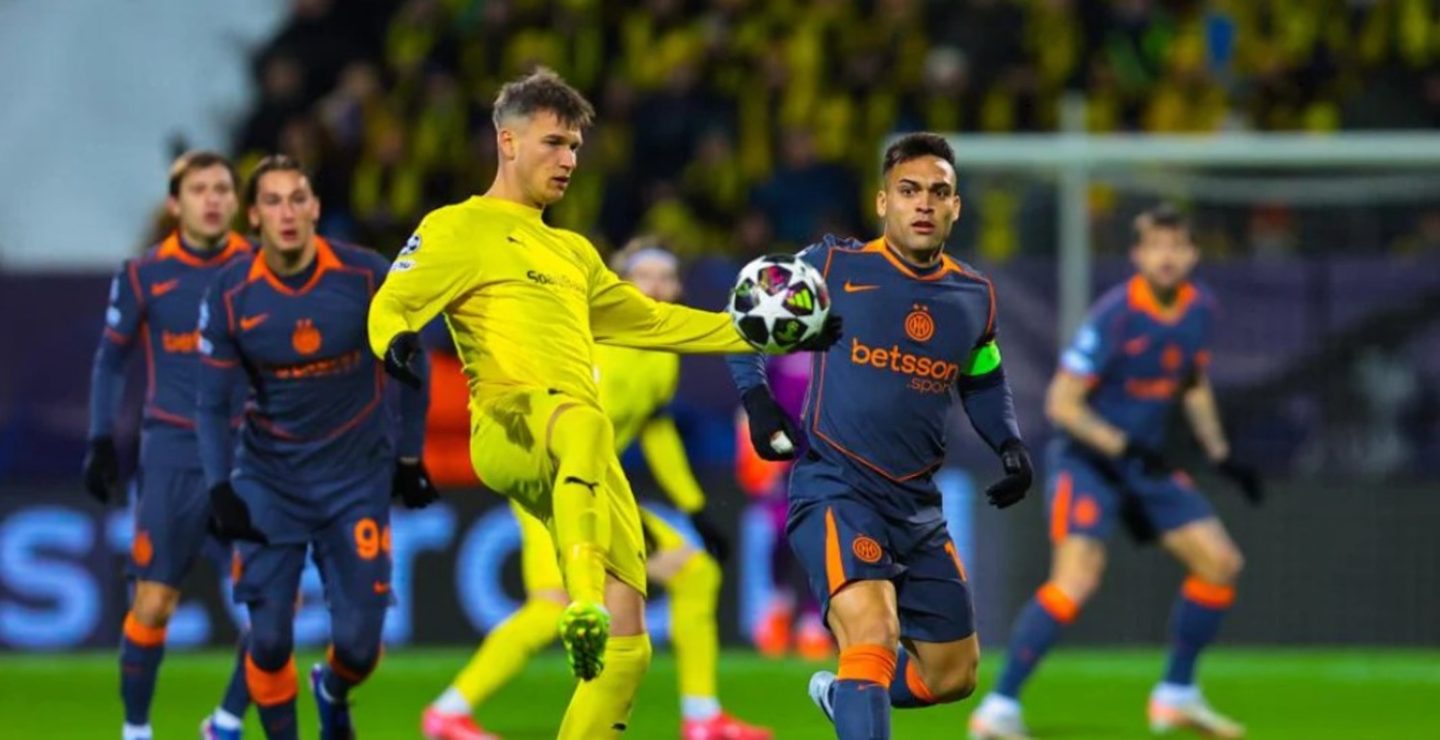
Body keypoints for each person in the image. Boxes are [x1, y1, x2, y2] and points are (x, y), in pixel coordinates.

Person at [368, 68, 835, 739]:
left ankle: (608, 644)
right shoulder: (457, 227)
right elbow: (392, 302)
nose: (569, 160)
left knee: (628, 651)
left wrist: (762, 331)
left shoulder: (574, 252)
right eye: (554, 143)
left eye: (576, 147)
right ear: (507, 141)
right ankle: (577, 604)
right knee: (585, 426)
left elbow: (655, 322)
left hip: (585, 461)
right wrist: (394, 343)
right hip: (511, 425)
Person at [728, 132, 1033, 740]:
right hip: (836, 488)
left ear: (955, 207)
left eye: (938, 193)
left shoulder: (975, 296)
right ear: (882, 201)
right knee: (873, 632)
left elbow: (983, 377)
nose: (924, 204)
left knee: (952, 675)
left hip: (917, 505)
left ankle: (845, 696)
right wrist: (758, 401)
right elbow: (745, 312)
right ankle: (858, 693)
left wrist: (1008, 442)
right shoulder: (833, 266)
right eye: (909, 190)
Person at [422, 240, 771, 740]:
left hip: (600, 493)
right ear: (618, 283)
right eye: (644, 274)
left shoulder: (660, 355)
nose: (655, 285)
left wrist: (694, 507)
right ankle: (448, 711)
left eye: (666, 276)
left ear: (678, 288)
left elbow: (654, 428)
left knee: (694, 574)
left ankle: (702, 716)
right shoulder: (591, 339)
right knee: (553, 604)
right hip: (549, 487)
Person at [968, 204, 1263, 740]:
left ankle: (1176, 695)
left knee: (1220, 562)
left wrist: (1221, 453)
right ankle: (998, 707)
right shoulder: (1116, 315)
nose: (1167, 257)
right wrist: (1123, 444)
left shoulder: (1200, 309)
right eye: (1156, 246)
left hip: (1143, 464)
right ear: (1137, 256)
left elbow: (1193, 381)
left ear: (1193, 254)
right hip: (1090, 463)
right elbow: (1062, 403)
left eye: (1177, 246)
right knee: (1076, 580)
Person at [197, 155, 436, 740]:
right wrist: (219, 486)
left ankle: (332, 688)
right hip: (269, 481)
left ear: (316, 208)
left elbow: (416, 364)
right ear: (254, 216)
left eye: (298, 199)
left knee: (358, 647)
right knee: (269, 639)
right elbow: (211, 402)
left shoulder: (365, 276)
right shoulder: (231, 294)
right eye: (273, 201)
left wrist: (409, 457)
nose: (287, 213)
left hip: (355, 480)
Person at [83, 150, 254, 740]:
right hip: (173, 455)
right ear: (175, 204)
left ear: (236, 202)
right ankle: (136, 730)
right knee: (153, 605)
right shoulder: (145, 274)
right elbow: (111, 359)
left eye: (222, 189)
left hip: (247, 454)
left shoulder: (260, 268)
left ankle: (225, 723)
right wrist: (101, 438)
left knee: (274, 604)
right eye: (199, 189)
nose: (213, 199)